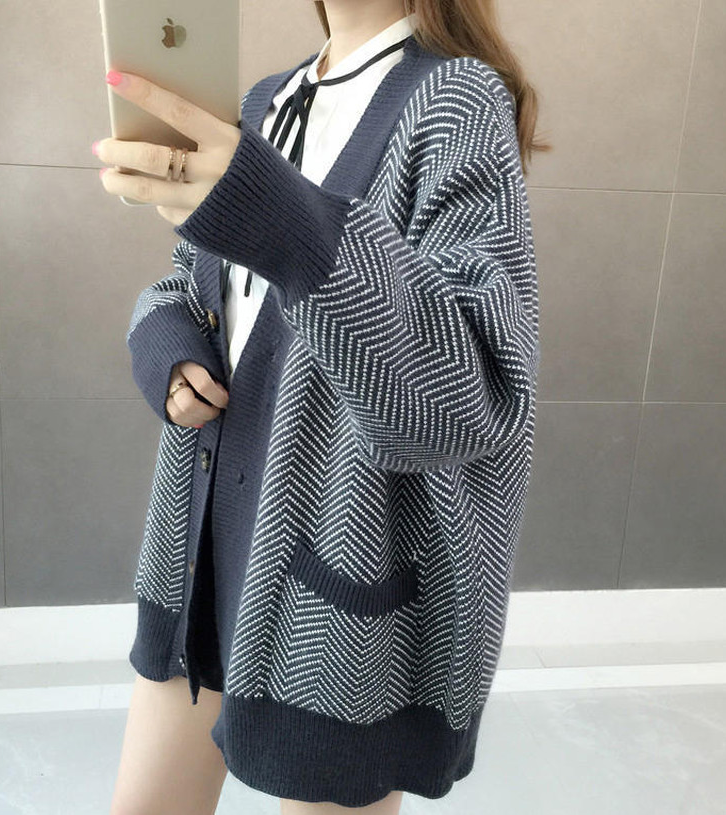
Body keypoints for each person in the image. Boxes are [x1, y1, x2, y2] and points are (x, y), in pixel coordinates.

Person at [95, 1, 548, 813]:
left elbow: (471, 397)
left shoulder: (457, 99)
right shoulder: (265, 102)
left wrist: (279, 218)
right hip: (200, 561)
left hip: (334, 597)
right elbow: (191, 283)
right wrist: (166, 344)